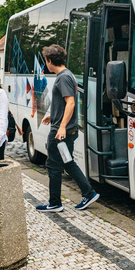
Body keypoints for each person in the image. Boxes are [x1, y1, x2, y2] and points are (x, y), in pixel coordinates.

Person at [35, 45, 100, 212]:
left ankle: (55, 202)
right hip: (63, 127)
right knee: (67, 161)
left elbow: (70, 102)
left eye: (46, 61)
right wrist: (53, 115)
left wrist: (61, 126)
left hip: (61, 132)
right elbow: (65, 103)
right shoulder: (67, 74)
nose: (46, 64)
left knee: (54, 165)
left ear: (49, 61)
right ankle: (88, 192)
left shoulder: (63, 77)